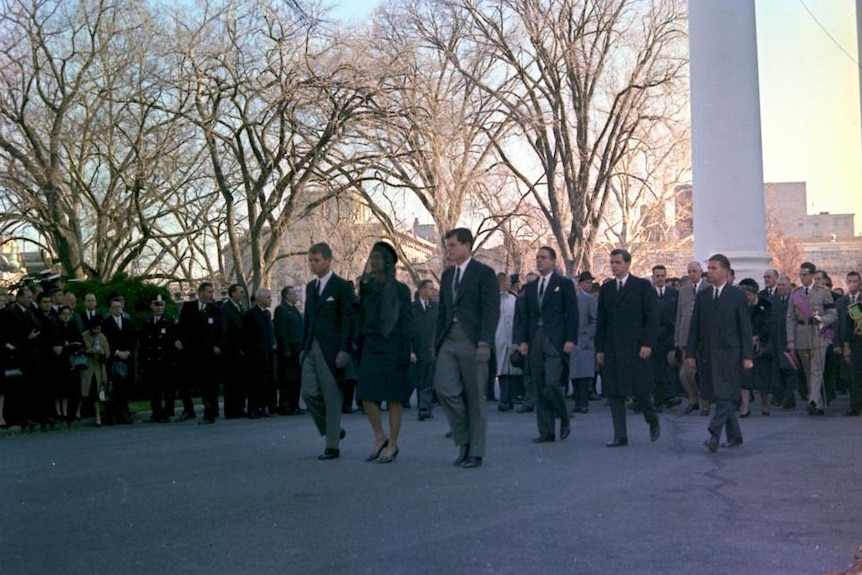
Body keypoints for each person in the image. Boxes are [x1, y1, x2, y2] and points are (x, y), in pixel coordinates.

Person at [434, 228, 500, 469]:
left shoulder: (484, 273)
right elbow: (442, 312)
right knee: (445, 390)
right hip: (449, 340)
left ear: (467, 245)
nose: (449, 250)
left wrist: (485, 342)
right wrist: (436, 344)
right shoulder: (447, 276)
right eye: (448, 246)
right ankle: (463, 440)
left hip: (473, 341)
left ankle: (475, 451)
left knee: (475, 398)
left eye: (452, 245)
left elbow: (491, 310)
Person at [686, 254, 754, 452]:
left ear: (725, 271)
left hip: (730, 353)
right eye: (709, 268)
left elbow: (745, 327)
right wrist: (691, 353)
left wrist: (747, 356)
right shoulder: (703, 296)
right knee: (719, 394)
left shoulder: (737, 294)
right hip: (708, 354)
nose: (710, 272)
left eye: (714, 268)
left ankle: (714, 433)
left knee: (725, 395)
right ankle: (735, 436)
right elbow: (695, 327)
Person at [595, 248, 660, 447]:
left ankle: (652, 419)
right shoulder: (606, 289)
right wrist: (599, 348)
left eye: (618, 262)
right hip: (613, 347)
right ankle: (620, 435)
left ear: (628, 264)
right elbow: (602, 322)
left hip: (636, 347)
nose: (614, 266)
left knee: (640, 390)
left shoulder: (641, 286)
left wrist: (647, 343)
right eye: (612, 262)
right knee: (615, 392)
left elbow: (652, 318)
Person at [355, 242, 412, 463]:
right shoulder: (367, 286)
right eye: (372, 257)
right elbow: (361, 317)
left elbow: (407, 322)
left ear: (387, 262)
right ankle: (380, 436)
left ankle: (393, 443)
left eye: (378, 258)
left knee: (393, 397)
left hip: (393, 345)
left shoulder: (400, 290)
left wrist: (407, 351)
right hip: (370, 344)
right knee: (366, 395)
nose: (374, 261)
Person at [513, 247, 578, 443]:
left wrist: (570, 339)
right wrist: (522, 341)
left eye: (543, 258)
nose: (539, 261)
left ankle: (563, 416)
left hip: (555, 341)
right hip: (535, 340)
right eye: (537, 258)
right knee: (539, 386)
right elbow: (525, 317)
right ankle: (546, 430)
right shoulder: (531, 287)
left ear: (553, 260)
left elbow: (573, 314)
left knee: (552, 383)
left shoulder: (564, 284)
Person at [300, 242, 355, 460]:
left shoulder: (342, 287)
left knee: (332, 397)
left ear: (328, 260)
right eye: (310, 261)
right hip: (311, 347)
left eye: (316, 260)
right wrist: (304, 348)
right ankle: (332, 430)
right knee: (308, 393)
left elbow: (348, 321)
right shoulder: (310, 288)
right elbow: (308, 319)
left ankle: (332, 446)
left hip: (332, 350)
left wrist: (344, 349)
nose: (312, 265)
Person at [786, 262, 837, 415]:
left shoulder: (823, 292)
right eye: (800, 274)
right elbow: (790, 318)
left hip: (818, 334)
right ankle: (818, 404)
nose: (802, 278)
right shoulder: (795, 293)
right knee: (808, 371)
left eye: (805, 274)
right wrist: (791, 339)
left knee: (816, 370)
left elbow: (833, 314)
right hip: (802, 335)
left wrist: (822, 319)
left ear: (813, 275)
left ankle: (812, 400)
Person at [176, 282, 225, 424]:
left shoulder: (215, 309)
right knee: (184, 383)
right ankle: (188, 410)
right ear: (200, 292)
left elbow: (221, 329)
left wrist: (218, 345)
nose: (211, 295)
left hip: (207, 354)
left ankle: (209, 413)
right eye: (208, 292)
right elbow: (181, 326)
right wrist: (178, 340)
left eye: (212, 292)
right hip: (189, 352)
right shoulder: (188, 307)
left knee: (207, 384)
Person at [674, 261, 709, 415]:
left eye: (694, 271)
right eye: (689, 272)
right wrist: (677, 338)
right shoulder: (684, 290)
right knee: (685, 373)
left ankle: (704, 403)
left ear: (701, 271)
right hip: (686, 337)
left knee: (703, 373)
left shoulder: (708, 288)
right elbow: (679, 314)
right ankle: (693, 398)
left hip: (704, 338)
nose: (691, 274)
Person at [139, 296, 179, 423]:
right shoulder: (147, 322)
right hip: (152, 361)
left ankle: (168, 413)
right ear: (152, 306)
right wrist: (143, 360)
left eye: (161, 305)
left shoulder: (170, 321)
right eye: (156, 305)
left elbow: (174, 341)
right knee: (154, 390)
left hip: (166, 361)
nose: (159, 307)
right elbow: (144, 343)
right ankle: (156, 413)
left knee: (168, 389)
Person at [738, 279, 774, 417]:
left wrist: (758, 336)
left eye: (748, 294)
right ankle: (745, 406)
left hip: (761, 346)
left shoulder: (765, 304)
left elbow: (769, 323)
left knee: (762, 377)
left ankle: (764, 404)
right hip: (744, 345)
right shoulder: (739, 306)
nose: (746, 297)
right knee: (744, 377)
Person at [101, 296, 137, 425]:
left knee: (125, 388)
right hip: (113, 359)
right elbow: (106, 341)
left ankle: (124, 413)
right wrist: (117, 352)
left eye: (119, 307)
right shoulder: (106, 324)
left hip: (127, 359)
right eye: (114, 307)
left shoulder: (128, 323)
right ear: (110, 309)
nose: (117, 309)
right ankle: (113, 414)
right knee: (114, 388)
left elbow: (133, 340)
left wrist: (128, 352)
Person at [243, 288, 277, 419]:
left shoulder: (267, 314)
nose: (270, 300)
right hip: (255, 356)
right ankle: (253, 409)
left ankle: (263, 407)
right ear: (260, 299)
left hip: (267, 354)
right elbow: (246, 336)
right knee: (255, 383)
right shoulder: (250, 314)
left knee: (265, 382)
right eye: (268, 297)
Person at [651, 264, 679, 411]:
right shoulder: (648, 293)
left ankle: (670, 397)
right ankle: (658, 400)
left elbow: (677, 315)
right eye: (657, 276)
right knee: (656, 371)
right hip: (653, 339)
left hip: (669, 337)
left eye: (662, 276)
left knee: (669, 369)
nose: (660, 279)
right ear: (653, 277)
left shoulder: (673, 293)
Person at [273, 286, 305, 415]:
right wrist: (285, 348)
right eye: (293, 294)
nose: (296, 296)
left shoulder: (294, 309)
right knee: (287, 379)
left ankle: (294, 404)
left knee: (296, 378)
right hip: (289, 349)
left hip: (297, 349)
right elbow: (281, 331)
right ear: (287, 296)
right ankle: (285, 405)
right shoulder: (281, 309)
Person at [570, 271, 598, 414]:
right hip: (572, 341)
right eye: (587, 282)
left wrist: (588, 336)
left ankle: (584, 403)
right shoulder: (571, 298)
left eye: (590, 282)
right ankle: (577, 402)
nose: (590, 285)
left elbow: (594, 320)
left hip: (584, 340)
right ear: (580, 284)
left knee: (584, 374)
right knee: (574, 375)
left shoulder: (589, 300)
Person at [410, 279, 437, 421]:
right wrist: (411, 350)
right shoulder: (412, 307)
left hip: (431, 348)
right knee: (420, 378)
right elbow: (408, 330)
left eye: (433, 289)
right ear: (421, 290)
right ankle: (423, 406)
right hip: (418, 348)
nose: (433, 291)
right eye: (430, 288)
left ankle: (425, 408)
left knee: (429, 379)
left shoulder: (435, 307)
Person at [53, 305, 84, 427]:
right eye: (64, 313)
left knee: (67, 387)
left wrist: (71, 345)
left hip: (70, 361)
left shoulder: (73, 326)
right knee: (58, 387)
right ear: (59, 315)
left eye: (68, 314)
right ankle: (58, 411)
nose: (66, 316)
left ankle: (66, 411)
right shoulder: (55, 326)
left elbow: (80, 342)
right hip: (58, 361)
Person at [221, 284, 248, 419]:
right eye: (240, 292)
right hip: (231, 351)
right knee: (231, 382)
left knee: (240, 381)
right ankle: (231, 409)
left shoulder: (241, 308)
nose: (242, 295)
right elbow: (225, 331)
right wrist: (232, 348)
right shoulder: (225, 309)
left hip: (241, 350)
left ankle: (240, 407)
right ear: (232, 293)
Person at [77, 317, 109, 426]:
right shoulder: (84, 336)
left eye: (99, 328)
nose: (97, 331)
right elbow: (79, 349)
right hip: (87, 367)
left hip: (99, 368)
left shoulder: (102, 337)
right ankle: (78, 410)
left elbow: (107, 352)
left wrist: (102, 352)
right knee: (84, 391)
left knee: (97, 392)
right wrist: (87, 350)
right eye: (95, 329)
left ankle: (98, 417)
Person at [495, 273, 520, 412]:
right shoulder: (493, 299)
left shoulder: (513, 299)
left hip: (513, 337)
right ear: (502, 282)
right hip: (499, 338)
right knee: (502, 369)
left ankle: (511, 398)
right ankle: (504, 399)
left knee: (514, 367)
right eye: (508, 281)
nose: (510, 283)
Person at [838, 271, 862, 416]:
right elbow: (843, 325)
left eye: (855, 281)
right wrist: (845, 345)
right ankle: (855, 406)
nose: (852, 284)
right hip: (853, 343)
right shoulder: (842, 301)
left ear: (860, 283)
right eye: (849, 281)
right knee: (853, 377)